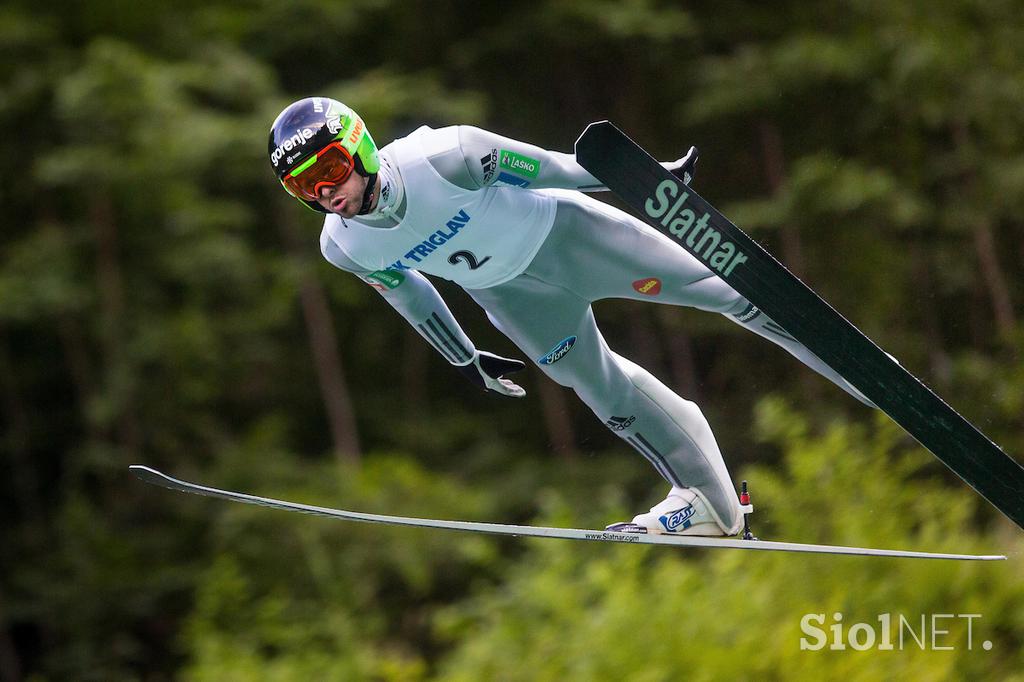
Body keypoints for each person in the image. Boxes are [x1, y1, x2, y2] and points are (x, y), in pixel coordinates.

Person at [268, 97, 874, 537]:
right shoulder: (344, 246)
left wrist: (645, 178)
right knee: (599, 388)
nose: (324, 192)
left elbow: (556, 166)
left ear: (360, 148)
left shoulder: (447, 156)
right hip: (514, 299)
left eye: (328, 170)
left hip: (571, 237)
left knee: (725, 291)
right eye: (304, 187)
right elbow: (411, 297)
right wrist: (466, 357)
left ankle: (869, 378)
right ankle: (711, 502)